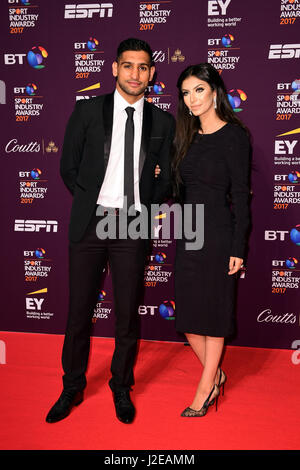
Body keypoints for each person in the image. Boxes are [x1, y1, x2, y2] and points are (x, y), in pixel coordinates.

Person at [45, 38, 175, 424]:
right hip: (91, 222)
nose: (135, 74)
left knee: (126, 316)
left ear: (151, 74)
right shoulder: (87, 111)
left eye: (143, 67)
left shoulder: (164, 122)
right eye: (128, 65)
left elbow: (166, 177)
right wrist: (93, 203)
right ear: (115, 68)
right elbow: (68, 168)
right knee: (78, 311)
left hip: (133, 223)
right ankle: (71, 387)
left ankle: (121, 387)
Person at [172, 63, 251, 417]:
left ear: (215, 91)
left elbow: (241, 196)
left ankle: (205, 387)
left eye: (198, 90)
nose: (192, 99)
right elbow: (179, 191)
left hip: (219, 231)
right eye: (186, 92)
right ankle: (216, 374)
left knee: (215, 311)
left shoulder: (235, 136)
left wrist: (238, 247)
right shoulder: (185, 136)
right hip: (189, 230)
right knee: (188, 317)